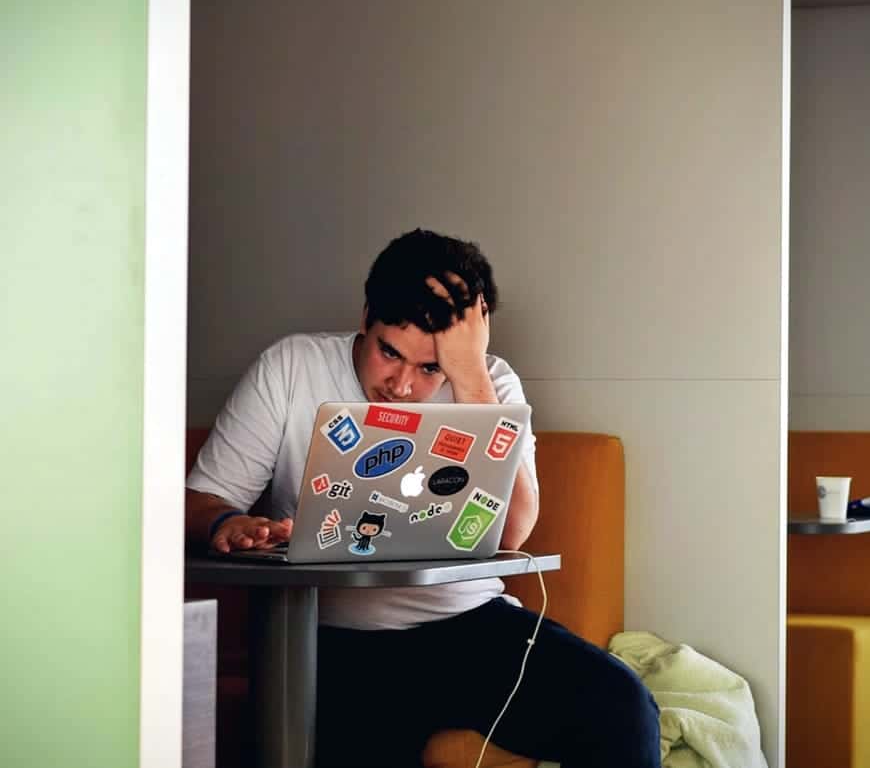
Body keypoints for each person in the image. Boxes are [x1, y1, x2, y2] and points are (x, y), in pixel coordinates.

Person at [183, 229, 661, 768]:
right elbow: (199, 501)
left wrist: (470, 376)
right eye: (390, 353)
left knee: (623, 707)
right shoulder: (291, 367)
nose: (402, 385)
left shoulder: (490, 382)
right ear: (366, 317)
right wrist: (229, 522)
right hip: (335, 639)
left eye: (430, 367)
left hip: (470, 626)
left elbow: (512, 532)